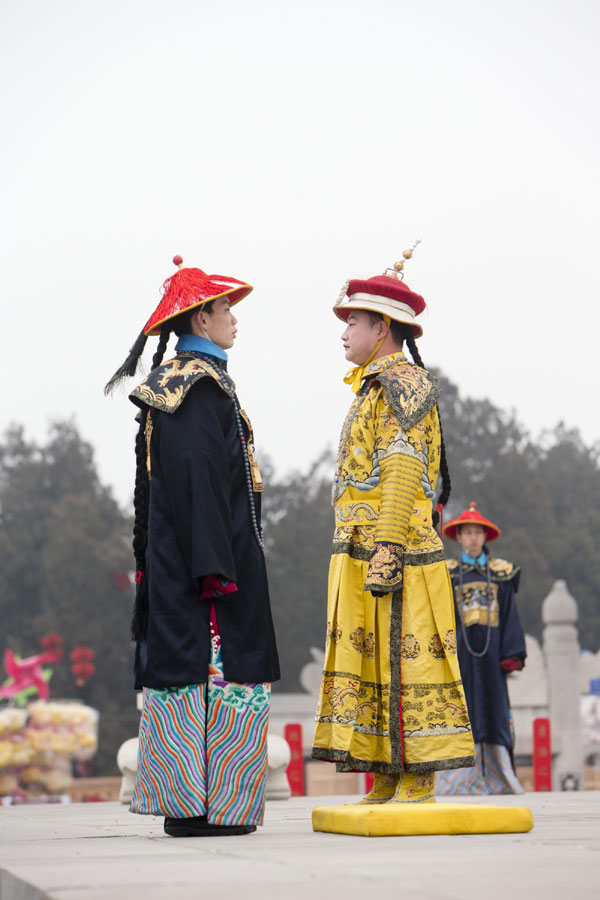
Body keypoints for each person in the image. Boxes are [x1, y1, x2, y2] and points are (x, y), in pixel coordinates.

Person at [105, 255, 280, 836]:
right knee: (213, 675)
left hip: (192, 561)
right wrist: (215, 568)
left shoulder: (193, 384)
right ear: (202, 320)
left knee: (194, 676)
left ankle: (195, 807)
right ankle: (210, 810)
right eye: (226, 308)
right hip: (207, 571)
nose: (235, 319)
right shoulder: (196, 389)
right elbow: (197, 478)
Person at [312, 247, 474, 804]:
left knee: (409, 660)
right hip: (363, 545)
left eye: (352, 321)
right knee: (374, 660)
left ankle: (419, 775)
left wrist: (387, 546)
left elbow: (404, 466)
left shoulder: (403, 383)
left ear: (381, 327)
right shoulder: (372, 384)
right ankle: (386, 770)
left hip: (394, 547)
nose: (344, 332)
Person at [436, 502, 526, 794]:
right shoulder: (447, 575)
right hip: (459, 658)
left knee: (495, 713)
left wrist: (511, 654)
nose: (473, 538)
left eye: (478, 533)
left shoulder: (502, 575)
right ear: (458, 537)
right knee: (462, 712)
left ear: (485, 537)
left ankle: (500, 779)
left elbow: (511, 614)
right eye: (467, 533)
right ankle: (458, 783)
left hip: (492, 661)